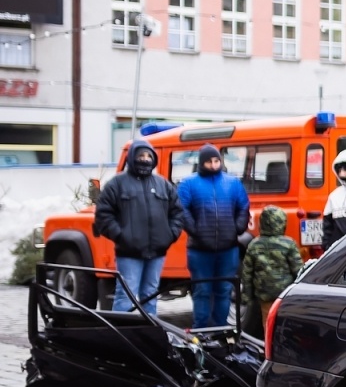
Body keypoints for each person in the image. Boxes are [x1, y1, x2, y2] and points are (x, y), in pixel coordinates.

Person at [93, 138, 183, 316]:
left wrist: (170, 235)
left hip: (157, 253)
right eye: (141, 155)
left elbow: (177, 213)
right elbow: (103, 215)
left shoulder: (163, 184)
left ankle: (148, 334)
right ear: (132, 157)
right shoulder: (117, 184)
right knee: (125, 296)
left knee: (150, 295)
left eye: (149, 155)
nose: (145, 159)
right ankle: (122, 337)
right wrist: (121, 236)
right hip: (128, 253)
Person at [176, 143, 252, 329]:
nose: (214, 164)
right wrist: (195, 231)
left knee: (224, 290)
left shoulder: (232, 183)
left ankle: (221, 328)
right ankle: (201, 328)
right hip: (199, 249)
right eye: (209, 161)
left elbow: (243, 206)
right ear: (202, 162)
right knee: (202, 290)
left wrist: (237, 229)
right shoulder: (188, 184)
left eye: (217, 160)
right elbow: (181, 209)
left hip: (228, 248)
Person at [239, 205, 302, 327]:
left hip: (264, 294)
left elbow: (247, 274)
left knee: (268, 323)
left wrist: (246, 297)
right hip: (285, 293)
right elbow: (298, 270)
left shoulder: (254, 245)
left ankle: (268, 345)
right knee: (284, 321)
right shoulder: (288, 244)